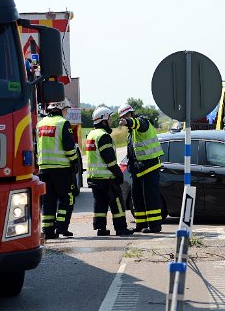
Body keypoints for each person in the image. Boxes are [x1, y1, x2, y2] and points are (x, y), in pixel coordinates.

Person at [86, 106, 134, 236]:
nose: (111, 121)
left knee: (100, 204)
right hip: (107, 178)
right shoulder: (103, 136)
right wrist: (118, 174)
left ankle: (101, 229)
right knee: (117, 203)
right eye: (109, 118)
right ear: (104, 120)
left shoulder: (91, 135)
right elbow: (109, 159)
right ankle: (121, 229)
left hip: (95, 178)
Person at [36, 99, 80, 239]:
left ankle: (48, 230)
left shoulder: (40, 124)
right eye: (66, 109)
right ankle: (61, 227)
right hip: (61, 169)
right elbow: (69, 147)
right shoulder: (62, 123)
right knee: (67, 198)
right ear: (60, 109)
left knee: (48, 201)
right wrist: (75, 163)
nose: (66, 112)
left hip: (44, 169)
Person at [118, 105, 164, 233]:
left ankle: (155, 226)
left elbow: (140, 124)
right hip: (138, 170)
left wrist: (129, 121)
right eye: (122, 118)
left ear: (131, 114)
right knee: (137, 198)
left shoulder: (143, 122)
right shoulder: (131, 132)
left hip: (150, 167)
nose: (124, 120)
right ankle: (141, 224)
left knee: (150, 197)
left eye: (125, 117)